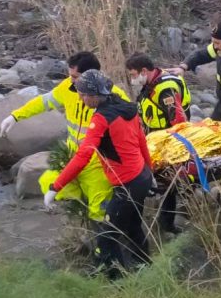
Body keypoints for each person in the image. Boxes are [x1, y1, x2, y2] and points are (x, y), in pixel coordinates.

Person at [43, 70, 154, 279]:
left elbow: (83, 155)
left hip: (127, 184)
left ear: (94, 95)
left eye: (83, 94)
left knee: (106, 236)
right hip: (142, 177)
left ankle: (118, 283)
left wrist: (55, 187)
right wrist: (151, 171)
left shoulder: (101, 118)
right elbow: (141, 142)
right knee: (133, 227)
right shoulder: (126, 108)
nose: (81, 98)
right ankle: (144, 269)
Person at [0, 51, 130, 224]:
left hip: (99, 162)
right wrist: (15, 116)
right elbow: (43, 102)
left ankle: (106, 245)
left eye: (75, 76)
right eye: (70, 75)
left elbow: (131, 131)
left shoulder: (115, 96)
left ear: (90, 77)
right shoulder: (67, 88)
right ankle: (83, 214)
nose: (71, 80)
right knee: (48, 181)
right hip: (73, 156)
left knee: (99, 210)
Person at [126, 52, 191, 235]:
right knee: (161, 183)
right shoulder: (152, 82)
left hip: (168, 142)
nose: (132, 79)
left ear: (144, 71)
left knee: (168, 184)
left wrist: (170, 150)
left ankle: (167, 225)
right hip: (155, 138)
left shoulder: (165, 89)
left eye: (133, 75)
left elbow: (178, 121)